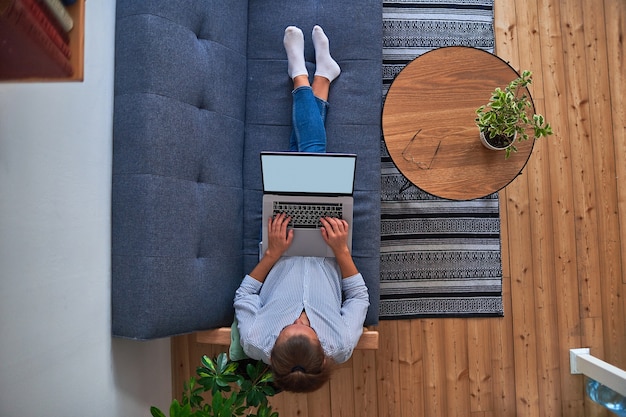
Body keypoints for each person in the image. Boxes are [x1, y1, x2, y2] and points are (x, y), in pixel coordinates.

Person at [233, 25, 370, 393]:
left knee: (304, 158)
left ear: (273, 348)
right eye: (307, 327)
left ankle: (314, 74)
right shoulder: (340, 344)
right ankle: (307, 73)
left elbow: (245, 297)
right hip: (329, 243)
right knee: (309, 157)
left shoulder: (255, 340)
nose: (298, 319)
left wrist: (273, 253)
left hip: (282, 239)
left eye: (287, 327)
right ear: (322, 353)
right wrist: (341, 250)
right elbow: (358, 297)